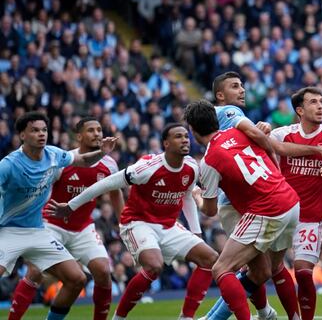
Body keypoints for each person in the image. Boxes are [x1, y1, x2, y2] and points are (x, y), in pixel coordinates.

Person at [47, 124, 218, 320]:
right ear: (166, 143)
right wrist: (70, 206)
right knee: (154, 266)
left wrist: (196, 232)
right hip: (138, 222)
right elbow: (106, 183)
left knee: (210, 258)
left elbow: (187, 195)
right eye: (178, 137)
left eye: (186, 136)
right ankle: (118, 317)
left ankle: (186, 317)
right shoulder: (146, 168)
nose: (185, 140)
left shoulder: (192, 167)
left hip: (169, 225)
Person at [204, 71, 322, 320]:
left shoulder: (236, 121)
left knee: (268, 268)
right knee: (253, 269)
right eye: (235, 86)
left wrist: (259, 130)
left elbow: (251, 141)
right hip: (237, 203)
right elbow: (269, 144)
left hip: (256, 201)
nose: (242, 90)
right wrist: (266, 143)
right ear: (220, 95)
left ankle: (272, 314)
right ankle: (252, 313)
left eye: (242, 85)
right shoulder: (227, 113)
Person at [183, 100, 300, 320]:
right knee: (263, 271)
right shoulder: (240, 133)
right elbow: (265, 143)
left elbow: (209, 211)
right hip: (290, 200)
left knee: (221, 269)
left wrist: (198, 196)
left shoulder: (208, 161)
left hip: (267, 209)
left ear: (192, 129)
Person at [1, 112, 117, 320]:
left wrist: (103, 152)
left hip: (44, 231)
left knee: (79, 278)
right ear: (22, 135)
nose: (41, 134)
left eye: (44, 130)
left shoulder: (55, 155)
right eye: (35, 130)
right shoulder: (9, 165)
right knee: (34, 272)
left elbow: (81, 160)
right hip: (20, 228)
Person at [268, 87, 322, 320]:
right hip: (282, 214)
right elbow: (268, 141)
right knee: (268, 269)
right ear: (299, 110)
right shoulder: (283, 134)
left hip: (311, 217)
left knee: (304, 273)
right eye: (313, 102)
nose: (320, 106)